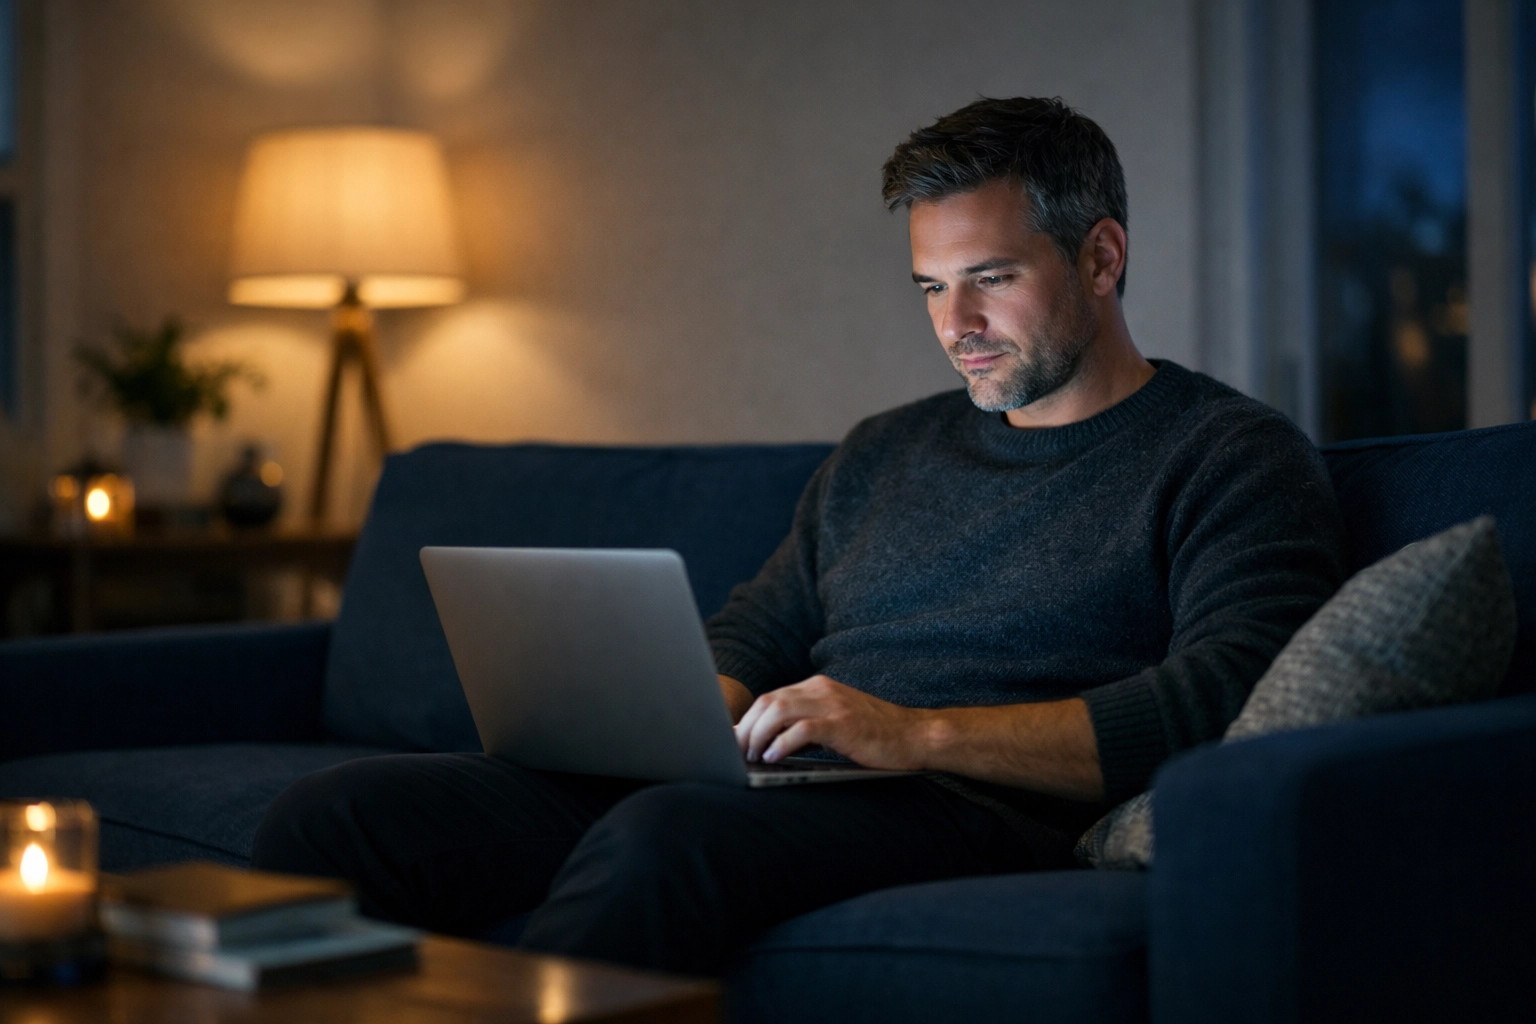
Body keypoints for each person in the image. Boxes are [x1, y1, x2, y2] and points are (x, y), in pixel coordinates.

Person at [251, 96, 1344, 975]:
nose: (953, 328)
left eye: (991, 281)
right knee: (342, 815)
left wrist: (912, 734)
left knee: (665, 838)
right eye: (930, 288)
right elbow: (758, 631)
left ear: (1101, 258)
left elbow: (1224, 700)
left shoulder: (1229, 454)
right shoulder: (883, 449)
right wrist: (666, 721)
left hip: (965, 804)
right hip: (791, 779)